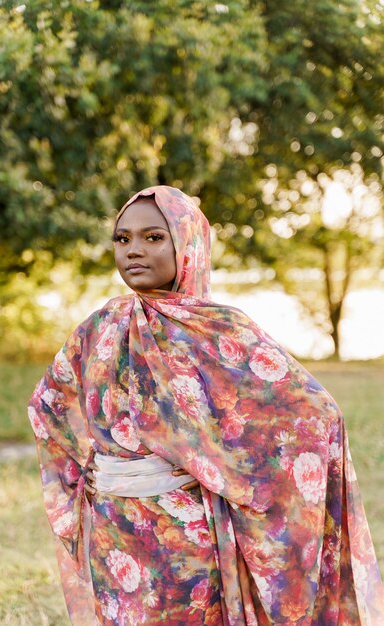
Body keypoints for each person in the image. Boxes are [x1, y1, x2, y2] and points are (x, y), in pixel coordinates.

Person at [28, 185, 384, 626]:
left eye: (153, 237)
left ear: (188, 244)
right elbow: (48, 403)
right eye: (123, 239)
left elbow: (313, 413)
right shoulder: (100, 326)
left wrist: (213, 465)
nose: (133, 251)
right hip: (112, 533)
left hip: (186, 540)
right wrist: (87, 479)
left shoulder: (222, 330)